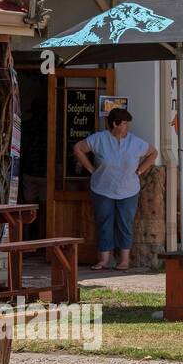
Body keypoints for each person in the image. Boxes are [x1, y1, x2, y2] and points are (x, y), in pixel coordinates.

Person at [73, 108, 157, 271]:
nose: (127, 127)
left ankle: (124, 260)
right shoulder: (99, 139)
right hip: (102, 188)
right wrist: (90, 169)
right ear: (114, 124)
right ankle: (104, 259)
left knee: (125, 223)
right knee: (104, 222)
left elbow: (153, 152)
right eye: (124, 123)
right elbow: (78, 148)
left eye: (127, 123)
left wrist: (140, 171)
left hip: (128, 189)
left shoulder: (135, 142)